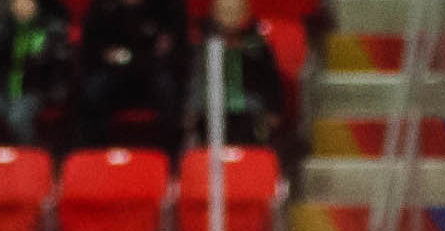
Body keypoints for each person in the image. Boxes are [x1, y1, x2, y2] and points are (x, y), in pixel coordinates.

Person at [184, 0, 298, 174]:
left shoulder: (257, 46)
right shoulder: (203, 45)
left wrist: (274, 110)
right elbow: (196, 79)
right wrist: (191, 108)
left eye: (234, 12)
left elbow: (269, 81)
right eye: (224, 12)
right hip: (209, 111)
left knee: (250, 134)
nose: (229, 19)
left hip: (248, 110)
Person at [71, 0, 189, 155]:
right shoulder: (102, 8)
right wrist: (106, 56)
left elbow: (177, 53)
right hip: (113, 75)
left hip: (152, 73)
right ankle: (93, 156)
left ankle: (171, 159)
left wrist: (141, 59)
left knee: (168, 87)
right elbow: (90, 51)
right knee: (92, 88)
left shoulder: (168, 8)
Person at [0, 0, 73, 150]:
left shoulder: (50, 29)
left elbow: (59, 65)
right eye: (18, 3)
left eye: (27, 3)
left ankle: (33, 158)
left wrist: (53, 88)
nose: (22, 7)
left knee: (17, 118)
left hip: (32, 88)